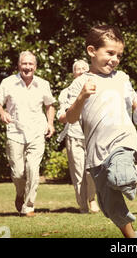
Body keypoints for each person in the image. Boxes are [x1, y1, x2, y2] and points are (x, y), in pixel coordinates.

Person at [66, 25, 137, 238]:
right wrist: (82, 97)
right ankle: (133, 238)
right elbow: (70, 118)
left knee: (120, 175)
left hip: (122, 142)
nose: (115, 59)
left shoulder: (121, 78)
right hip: (97, 153)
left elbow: (135, 101)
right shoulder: (79, 83)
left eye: (119, 55)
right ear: (91, 51)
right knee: (110, 207)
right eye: (110, 53)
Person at [0, 50, 56, 217]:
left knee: (33, 169)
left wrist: (50, 123)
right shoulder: (8, 82)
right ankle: (20, 193)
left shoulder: (43, 84)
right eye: (24, 63)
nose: (27, 67)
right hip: (15, 133)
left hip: (37, 131)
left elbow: (50, 105)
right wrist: (2, 113)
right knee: (18, 172)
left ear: (35, 66)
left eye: (30, 64)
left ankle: (28, 206)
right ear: (18, 65)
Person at [57, 59, 100, 213]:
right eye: (78, 69)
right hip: (74, 134)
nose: (81, 71)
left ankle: (92, 199)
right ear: (73, 73)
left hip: (91, 135)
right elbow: (61, 113)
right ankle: (82, 205)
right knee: (78, 172)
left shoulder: (96, 88)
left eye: (84, 68)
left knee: (90, 171)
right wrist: (64, 116)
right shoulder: (66, 92)